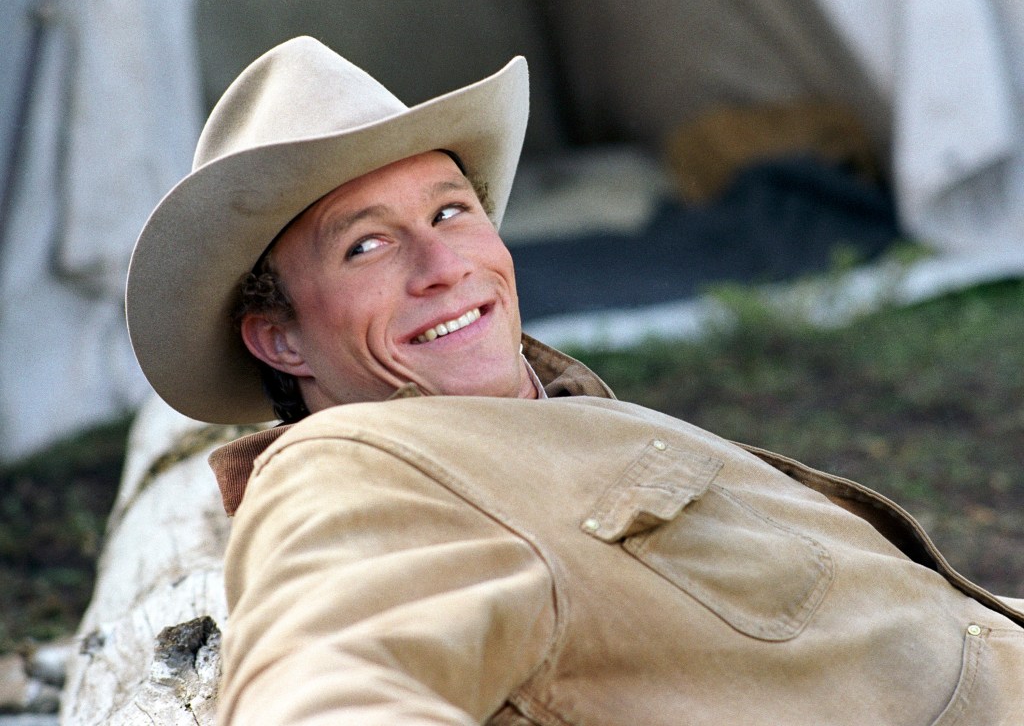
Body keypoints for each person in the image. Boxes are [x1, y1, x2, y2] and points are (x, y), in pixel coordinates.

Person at [126, 36, 1024, 725]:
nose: (445, 264)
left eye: (451, 210)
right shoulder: (358, 468)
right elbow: (328, 686)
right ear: (280, 340)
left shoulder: (536, 430)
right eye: (366, 243)